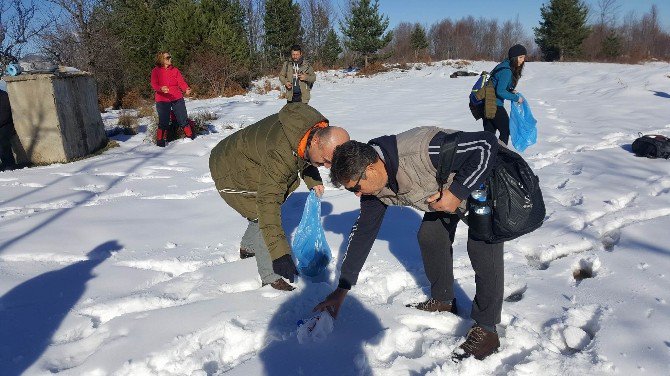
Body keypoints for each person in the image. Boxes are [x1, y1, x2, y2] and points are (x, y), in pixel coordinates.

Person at [314, 126, 505, 361]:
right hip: (443, 193)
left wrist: (457, 192)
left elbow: (486, 144)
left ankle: (487, 330)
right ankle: (444, 301)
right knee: (430, 235)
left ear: (371, 168)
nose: (356, 194)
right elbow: (364, 232)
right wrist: (342, 289)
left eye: (355, 187)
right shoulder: (374, 187)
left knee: (482, 247)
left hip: (487, 181)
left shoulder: (422, 150)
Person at [209, 103, 349, 291]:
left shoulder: (310, 131)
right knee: (262, 215)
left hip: (249, 159)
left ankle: (248, 247)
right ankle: (271, 278)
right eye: (324, 160)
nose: (326, 166)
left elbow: (303, 155)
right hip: (230, 169)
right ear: (316, 141)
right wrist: (280, 254)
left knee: (259, 213)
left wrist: (312, 179)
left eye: (330, 162)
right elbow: (268, 203)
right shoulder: (280, 152)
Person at [483, 44, 527, 145]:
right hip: (494, 105)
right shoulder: (506, 71)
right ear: (514, 57)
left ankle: (488, 156)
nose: (523, 60)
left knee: (488, 134)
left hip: (486, 103)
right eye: (520, 57)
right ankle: (501, 156)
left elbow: (497, 85)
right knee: (506, 130)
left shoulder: (503, 65)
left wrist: (510, 90)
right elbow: (500, 91)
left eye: (524, 57)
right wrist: (516, 98)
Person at [150, 51, 194, 147]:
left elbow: (181, 82)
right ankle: (160, 142)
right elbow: (154, 84)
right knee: (164, 121)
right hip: (162, 99)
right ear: (161, 59)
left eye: (170, 57)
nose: (170, 59)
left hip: (177, 97)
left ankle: (190, 138)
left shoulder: (175, 70)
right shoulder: (155, 71)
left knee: (183, 119)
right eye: (167, 58)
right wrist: (160, 88)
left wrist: (186, 88)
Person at [0, 88, 17, 171]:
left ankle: (8, 164)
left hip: (5, 125)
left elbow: (5, 114)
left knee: (3, 142)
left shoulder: (3, 96)